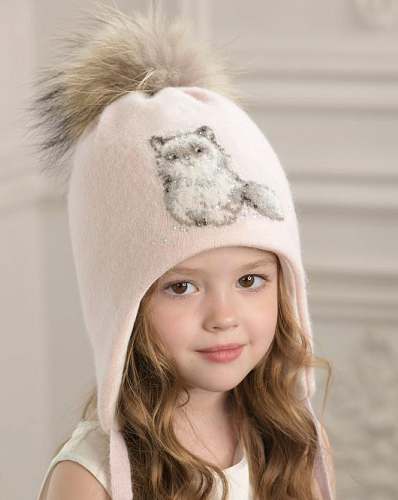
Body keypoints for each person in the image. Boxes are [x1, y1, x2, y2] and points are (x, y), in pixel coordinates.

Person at [31, 3, 336, 499]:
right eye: (181, 287)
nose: (224, 317)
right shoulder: (91, 479)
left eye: (250, 280)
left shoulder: (293, 443)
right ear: (122, 305)